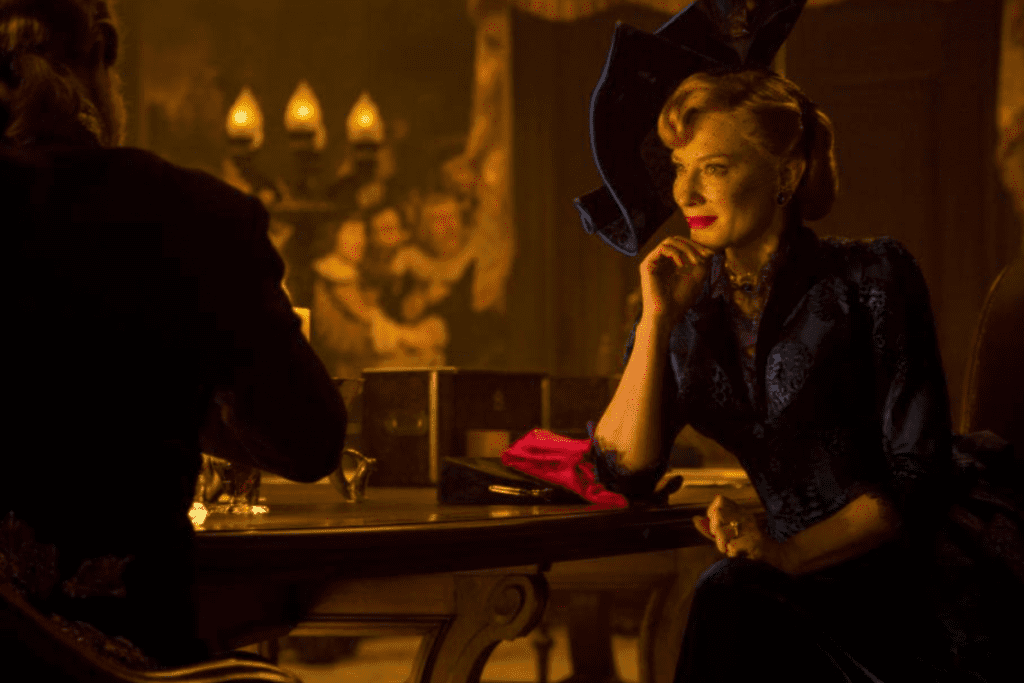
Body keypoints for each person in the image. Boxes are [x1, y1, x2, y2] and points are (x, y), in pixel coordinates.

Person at [578, 2, 1023, 681]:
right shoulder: (692, 310)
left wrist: (787, 554)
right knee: (729, 596)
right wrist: (657, 319)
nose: (685, 191)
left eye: (713, 167)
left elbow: (916, 480)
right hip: (786, 571)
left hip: (913, 577)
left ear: (784, 174)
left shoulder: (871, 274)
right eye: (678, 166)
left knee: (728, 594)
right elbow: (625, 470)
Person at [0, 0, 347, 670]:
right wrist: (185, 396)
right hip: (124, 658)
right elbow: (309, 440)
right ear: (99, 56)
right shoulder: (194, 216)